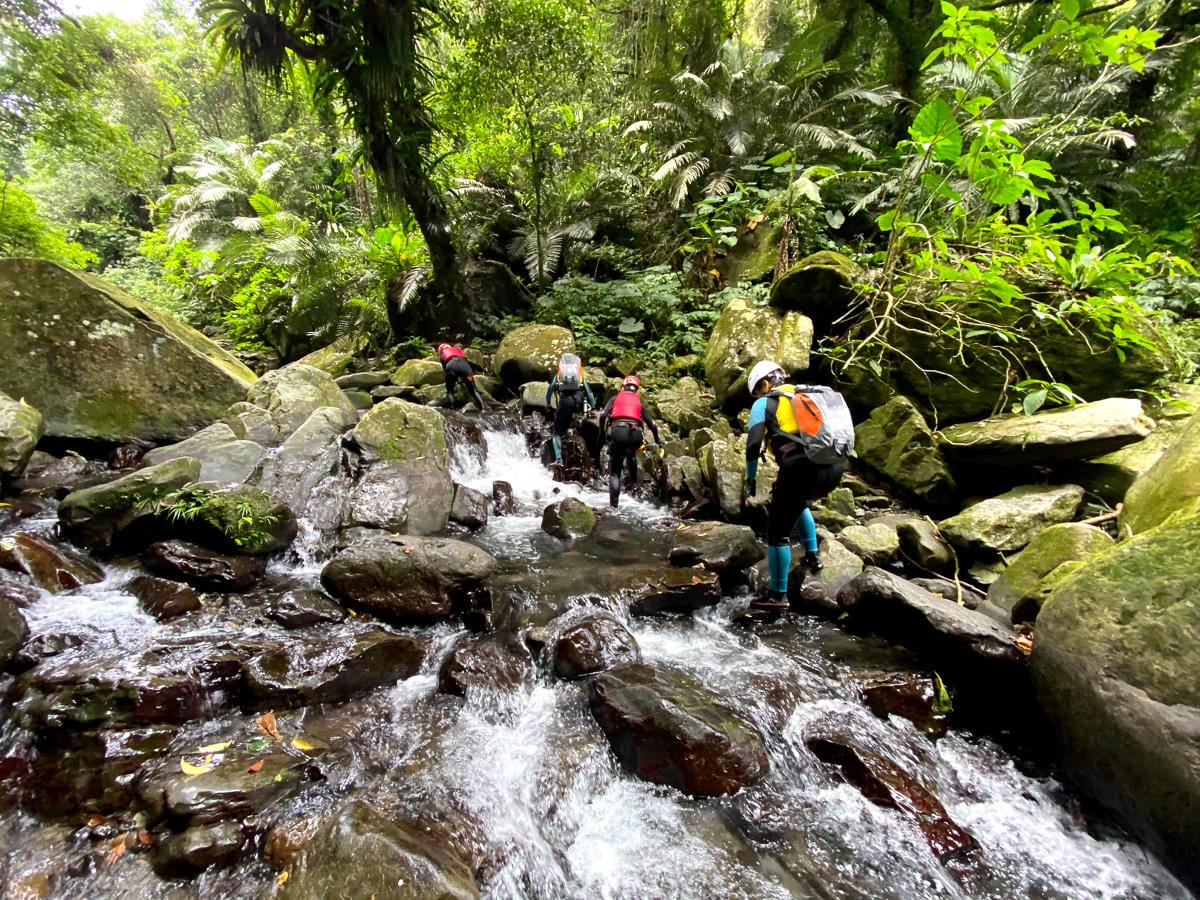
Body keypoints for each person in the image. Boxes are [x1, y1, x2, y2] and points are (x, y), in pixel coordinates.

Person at [742, 360, 849, 612]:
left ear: (766, 383)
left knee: (777, 533)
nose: (757, 396)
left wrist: (750, 479)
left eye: (758, 390)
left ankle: (777, 596)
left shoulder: (764, 403)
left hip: (801, 469)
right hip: (833, 467)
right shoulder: (809, 395)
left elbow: (753, 444)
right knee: (798, 503)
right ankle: (812, 556)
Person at [597, 374, 661, 508]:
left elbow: (603, 415)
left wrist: (601, 432)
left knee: (614, 472)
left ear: (623, 387)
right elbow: (653, 425)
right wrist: (657, 440)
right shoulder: (639, 403)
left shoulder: (615, 398)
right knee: (631, 453)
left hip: (619, 433)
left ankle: (613, 507)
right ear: (636, 389)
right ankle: (634, 485)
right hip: (636, 434)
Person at [544, 352, 596, 468]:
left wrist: (548, 404)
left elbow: (549, 391)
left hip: (564, 402)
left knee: (556, 432)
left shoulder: (559, 376)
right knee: (572, 420)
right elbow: (589, 393)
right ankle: (571, 433)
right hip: (577, 403)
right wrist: (592, 407)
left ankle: (559, 459)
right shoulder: (579, 377)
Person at [437, 342, 485, 411]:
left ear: (441, 349)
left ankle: (452, 410)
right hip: (465, 367)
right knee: (474, 391)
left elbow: (446, 369)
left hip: (451, 366)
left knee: (450, 391)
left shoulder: (443, 354)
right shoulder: (457, 350)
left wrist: (454, 379)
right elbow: (464, 361)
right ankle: (483, 408)